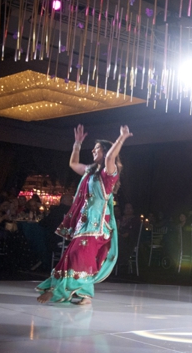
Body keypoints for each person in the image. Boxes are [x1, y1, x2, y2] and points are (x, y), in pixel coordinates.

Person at [37, 124, 132, 305]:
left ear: (105, 152)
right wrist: (77, 144)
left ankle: (73, 292)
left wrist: (122, 137)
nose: (93, 151)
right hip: (84, 223)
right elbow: (73, 164)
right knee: (72, 255)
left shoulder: (108, 174)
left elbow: (112, 156)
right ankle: (81, 294)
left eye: (97, 149)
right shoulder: (90, 172)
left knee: (80, 256)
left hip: (96, 225)